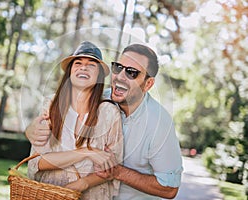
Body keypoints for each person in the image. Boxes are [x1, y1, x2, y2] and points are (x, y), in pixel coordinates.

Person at [26, 43, 183, 200]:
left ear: (148, 84)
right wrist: (30, 129)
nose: (120, 76)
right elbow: (37, 157)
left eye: (132, 72)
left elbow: (169, 189)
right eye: (118, 68)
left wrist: (116, 171)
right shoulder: (100, 98)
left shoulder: (159, 124)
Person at [27, 41, 124, 200]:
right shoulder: (51, 106)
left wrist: (81, 185)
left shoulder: (109, 113)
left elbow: (111, 166)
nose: (83, 67)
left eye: (91, 65)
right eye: (78, 63)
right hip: (48, 194)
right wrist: (85, 152)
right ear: (70, 72)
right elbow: (37, 162)